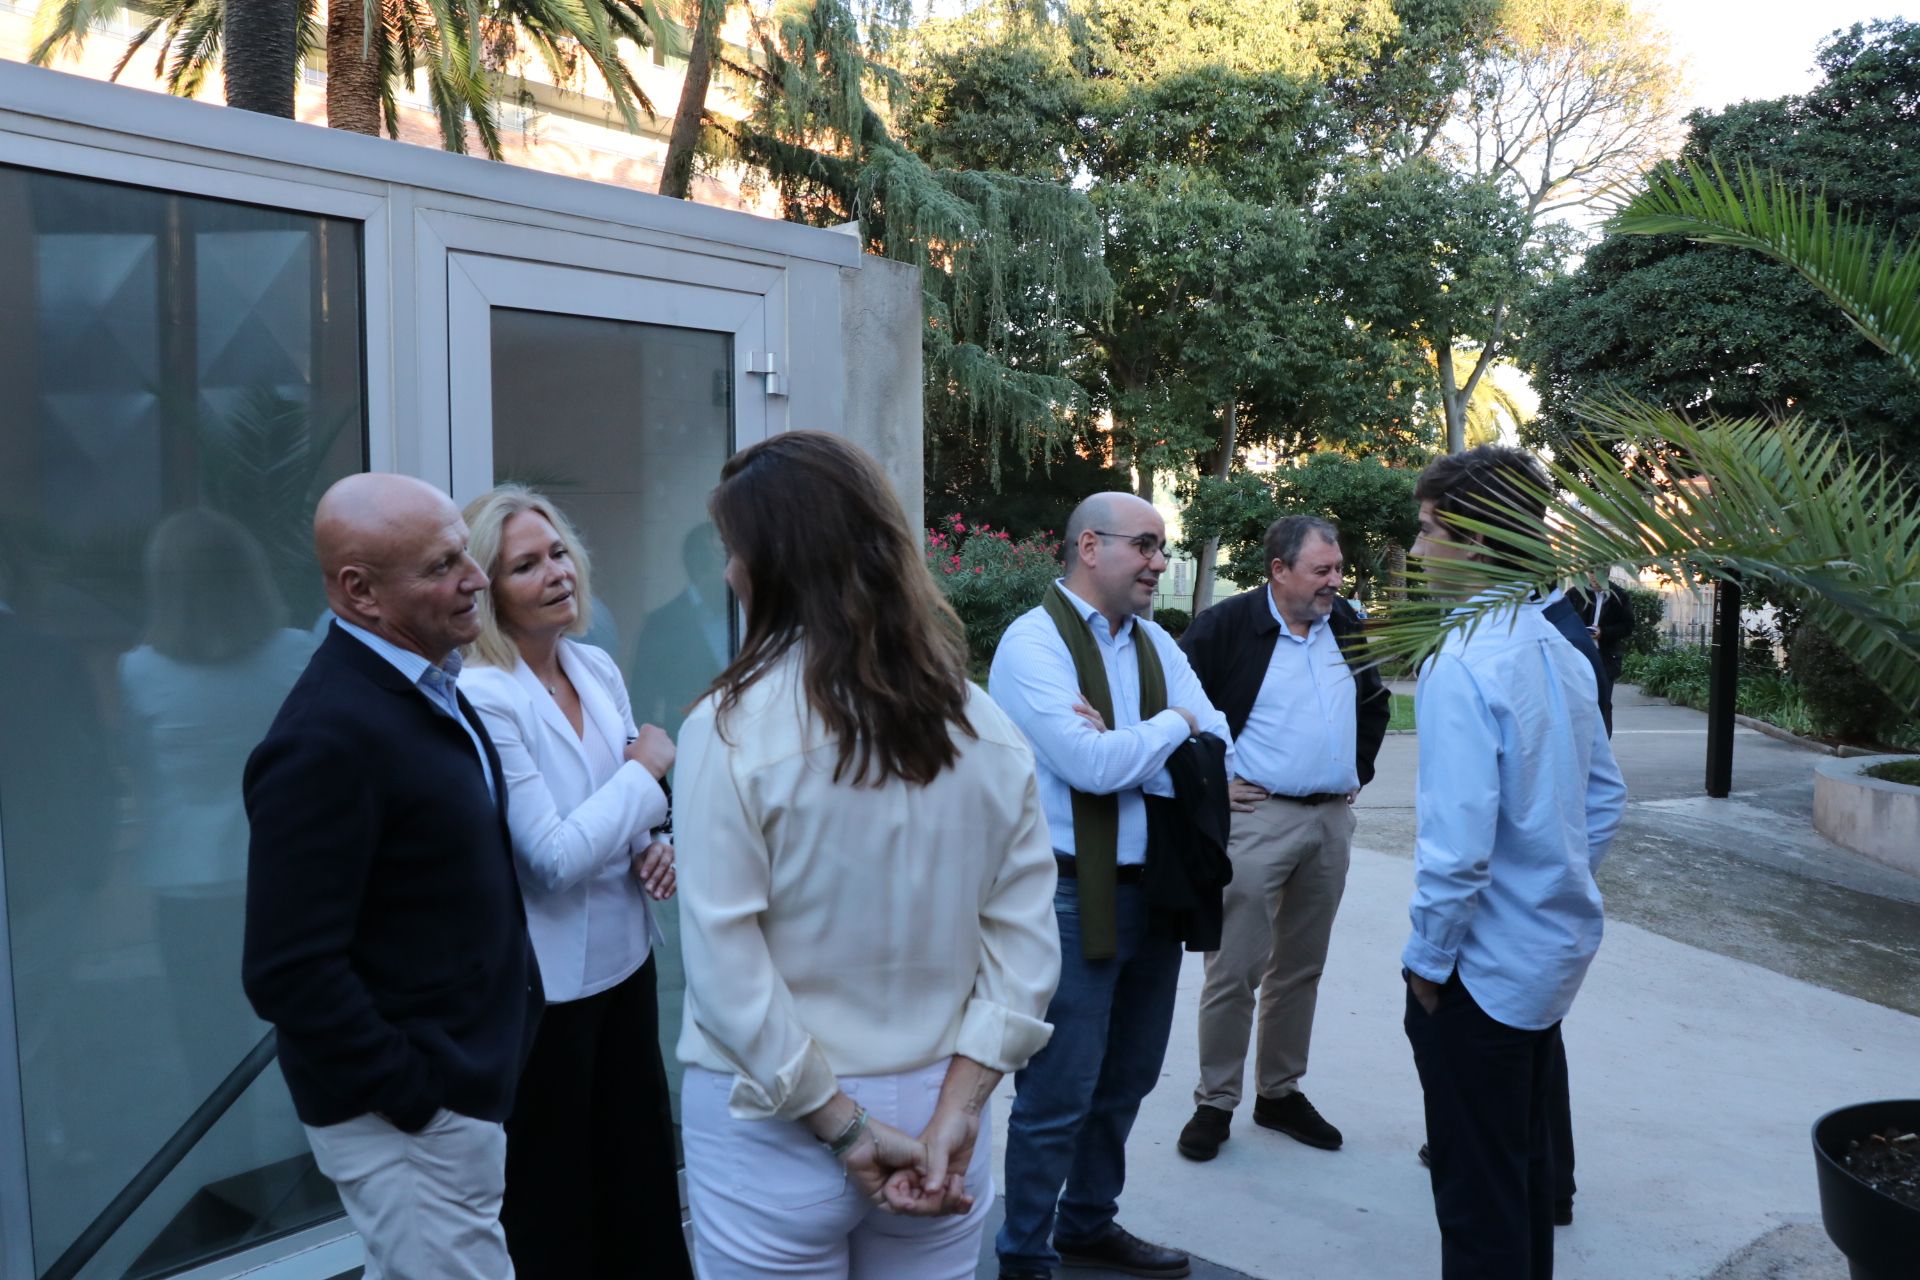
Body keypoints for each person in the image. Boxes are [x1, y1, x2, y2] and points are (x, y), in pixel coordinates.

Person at [674, 431, 1060, 1280]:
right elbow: (1025, 946)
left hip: (774, 1124)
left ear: (771, 564)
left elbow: (724, 968)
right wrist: (958, 1107)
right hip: (938, 1108)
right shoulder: (984, 726)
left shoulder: (729, 729)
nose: (731, 572)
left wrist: (843, 1125)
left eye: (735, 552)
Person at [242, 473, 541, 1280]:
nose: (475, 578)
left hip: (451, 1093)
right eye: (444, 565)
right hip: (410, 1118)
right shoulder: (326, 738)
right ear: (360, 593)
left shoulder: (429, 686)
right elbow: (288, 970)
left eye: (466, 557)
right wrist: (418, 1098)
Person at [989, 491, 1232, 1280]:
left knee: (1127, 1077)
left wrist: (1140, 744)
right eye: (1149, 546)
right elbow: (1091, 767)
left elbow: (1217, 739)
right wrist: (1170, 730)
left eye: (1163, 549)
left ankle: (1088, 1223)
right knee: (1059, 1091)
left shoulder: (1156, 642)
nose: (1161, 564)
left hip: (1155, 892)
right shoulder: (1033, 645)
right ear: (1090, 547)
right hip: (1068, 896)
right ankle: (1024, 1252)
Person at [1401, 446, 1627, 1279]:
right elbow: (1604, 800)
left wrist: (1426, 965)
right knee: (1522, 1178)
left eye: (1429, 531)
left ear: (1481, 540)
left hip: (1480, 976)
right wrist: (1554, 883)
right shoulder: (1560, 648)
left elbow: (1456, 853)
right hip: (1542, 958)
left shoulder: (1461, 663)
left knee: (1478, 1205)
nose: (1417, 552)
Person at [458, 486, 692, 1280]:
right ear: (487, 590)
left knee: (639, 1178)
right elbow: (550, 859)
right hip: (545, 992)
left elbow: (622, 813)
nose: (555, 572)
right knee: (557, 1199)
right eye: (525, 565)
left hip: (627, 965)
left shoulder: (592, 665)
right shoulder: (484, 694)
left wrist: (655, 844)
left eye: (557, 552)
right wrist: (650, 772)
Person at [1174, 515, 1390, 1161]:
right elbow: (1168, 710)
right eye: (1322, 570)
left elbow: (1375, 702)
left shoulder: (1346, 625)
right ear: (1278, 569)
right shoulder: (1226, 627)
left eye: (1339, 568)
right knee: (1234, 968)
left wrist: (1359, 771)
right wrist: (1211, 787)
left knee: (1301, 967)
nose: (1335, 581)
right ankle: (1215, 1101)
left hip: (1330, 823)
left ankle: (1279, 1093)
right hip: (1256, 822)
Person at [121, 510, 316, 1113]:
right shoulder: (298, 654)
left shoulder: (140, 671)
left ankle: (228, 1185)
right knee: (303, 1041)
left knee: (206, 1053)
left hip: (186, 884)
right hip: (282, 878)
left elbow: (138, 766)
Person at [1564, 578, 1635, 684]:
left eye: (1599, 571)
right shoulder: (1574, 594)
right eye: (1591, 571)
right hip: (1578, 657)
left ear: (1608, 570)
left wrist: (1604, 633)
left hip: (1606, 659)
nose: (1595, 576)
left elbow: (1628, 626)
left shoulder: (1619, 596)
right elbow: (1562, 622)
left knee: (1603, 699)